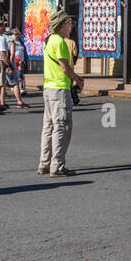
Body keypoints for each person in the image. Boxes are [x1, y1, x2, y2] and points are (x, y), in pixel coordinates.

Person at [38, 12, 83, 177]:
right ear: (62, 25)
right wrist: (78, 79)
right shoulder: (61, 42)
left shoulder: (49, 40)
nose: (71, 26)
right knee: (62, 127)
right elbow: (65, 67)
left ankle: (44, 163)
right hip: (59, 88)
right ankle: (56, 165)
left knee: (48, 126)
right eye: (69, 23)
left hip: (49, 86)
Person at [9, 28, 28, 108]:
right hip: (15, 61)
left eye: (18, 34)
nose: (17, 36)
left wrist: (24, 60)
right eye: (16, 34)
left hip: (21, 60)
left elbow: (24, 51)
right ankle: (15, 89)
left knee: (21, 75)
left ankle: (22, 88)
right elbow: (12, 53)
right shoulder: (12, 42)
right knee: (18, 76)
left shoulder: (20, 42)